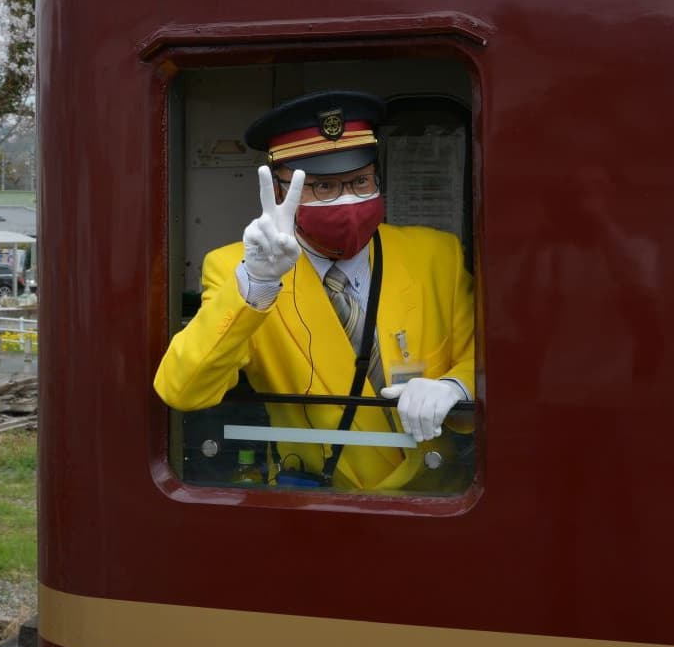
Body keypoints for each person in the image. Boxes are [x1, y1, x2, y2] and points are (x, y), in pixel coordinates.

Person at [154, 90, 475, 490]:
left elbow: (485, 359)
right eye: (323, 188)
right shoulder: (235, 268)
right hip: (316, 505)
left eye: (360, 181)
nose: (348, 202)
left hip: (438, 499)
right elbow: (182, 389)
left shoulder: (434, 254)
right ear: (277, 192)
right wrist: (258, 284)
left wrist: (455, 386)